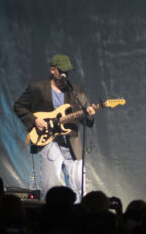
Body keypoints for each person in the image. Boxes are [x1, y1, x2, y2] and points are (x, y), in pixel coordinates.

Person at [13, 53, 95, 201]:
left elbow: (86, 120)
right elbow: (19, 106)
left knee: (79, 183)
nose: (65, 75)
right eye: (62, 71)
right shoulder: (37, 88)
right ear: (53, 70)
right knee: (51, 184)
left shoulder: (76, 90)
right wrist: (34, 120)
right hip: (49, 140)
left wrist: (90, 114)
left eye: (68, 72)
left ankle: (80, 213)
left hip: (71, 140)